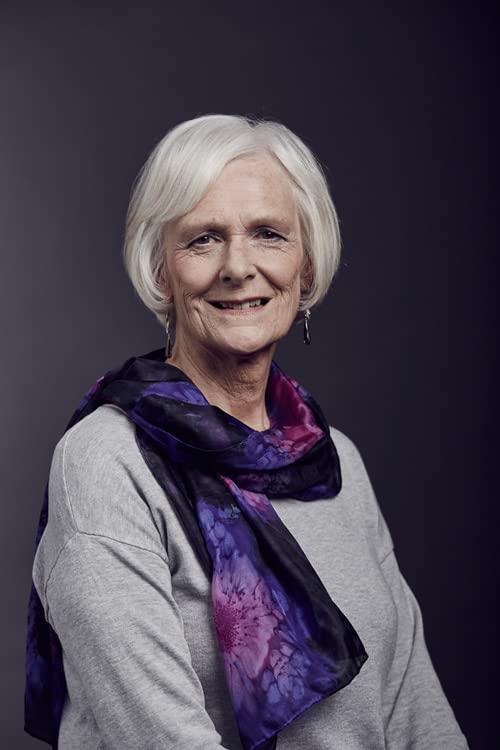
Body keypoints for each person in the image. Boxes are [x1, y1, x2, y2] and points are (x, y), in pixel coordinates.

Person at [24, 114, 469, 750]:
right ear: (161, 269)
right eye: (203, 239)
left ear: (305, 265)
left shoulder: (335, 460)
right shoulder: (106, 462)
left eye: (268, 234)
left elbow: (416, 714)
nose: (239, 266)